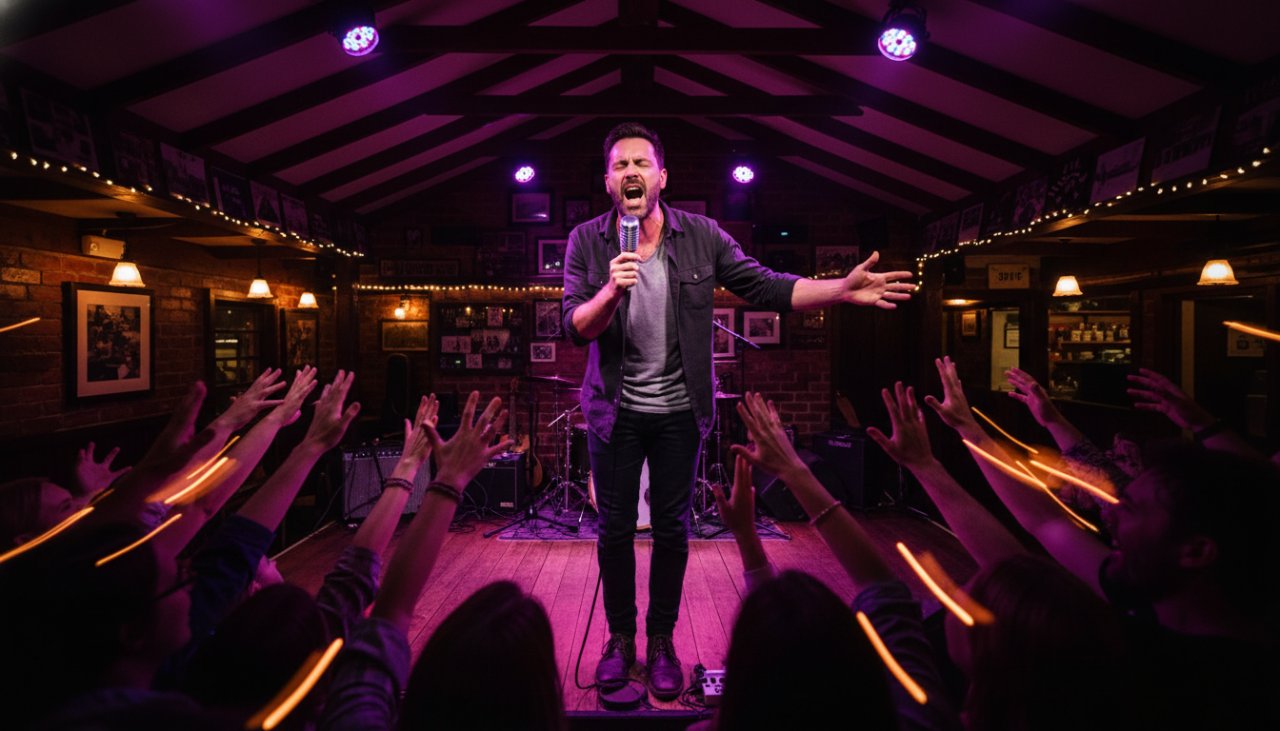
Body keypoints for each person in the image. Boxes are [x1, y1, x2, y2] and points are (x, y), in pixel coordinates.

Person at [561, 121, 916, 698]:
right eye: (621, 164)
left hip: (680, 410)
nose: (632, 172)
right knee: (616, 528)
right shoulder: (588, 242)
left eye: (642, 163)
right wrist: (611, 291)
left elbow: (767, 286)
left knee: (674, 529)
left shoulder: (702, 236)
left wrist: (840, 290)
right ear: (608, 181)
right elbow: (575, 327)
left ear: (661, 176)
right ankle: (620, 639)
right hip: (615, 410)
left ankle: (661, 642)